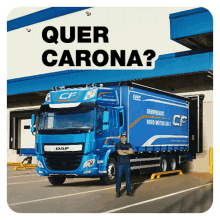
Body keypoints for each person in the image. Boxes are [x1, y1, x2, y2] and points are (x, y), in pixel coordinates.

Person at [115, 133, 134, 198]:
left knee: (128, 178)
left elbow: (131, 152)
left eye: (125, 137)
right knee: (119, 178)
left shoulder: (129, 144)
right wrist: (127, 151)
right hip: (120, 164)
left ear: (126, 138)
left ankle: (129, 191)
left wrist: (123, 151)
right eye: (122, 137)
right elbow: (119, 153)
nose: (123, 138)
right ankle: (118, 192)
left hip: (127, 164)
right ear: (120, 138)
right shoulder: (118, 145)